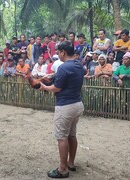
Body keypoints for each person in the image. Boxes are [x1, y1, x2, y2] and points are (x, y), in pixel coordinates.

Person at [39, 41, 84, 178]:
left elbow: (57, 88)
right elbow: (67, 79)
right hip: (77, 104)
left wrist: (44, 87)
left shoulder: (64, 67)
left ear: (63, 52)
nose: (57, 54)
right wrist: (52, 77)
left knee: (61, 137)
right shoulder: (79, 65)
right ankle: (71, 163)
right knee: (71, 135)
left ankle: (62, 169)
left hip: (65, 106)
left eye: (58, 52)